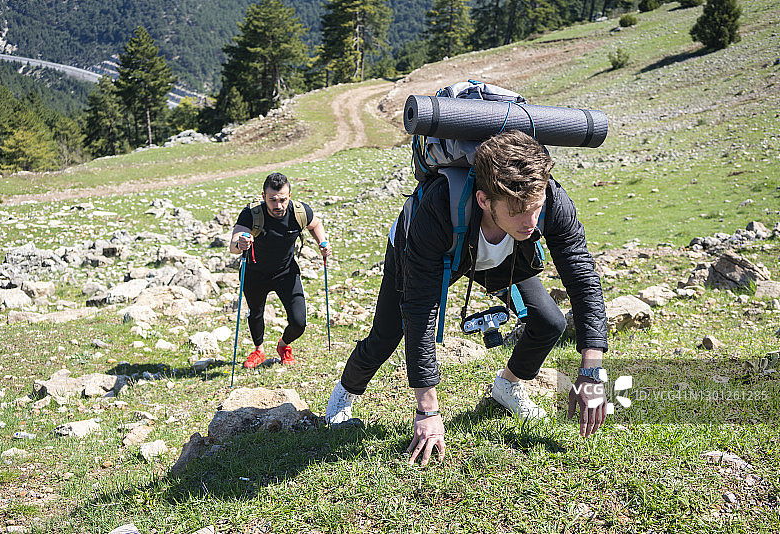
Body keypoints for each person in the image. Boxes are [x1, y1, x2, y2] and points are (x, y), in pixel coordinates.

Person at [325, 130, 608, 466]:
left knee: (549, 322)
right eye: (518, 211)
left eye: (536, 208)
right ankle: (343, 394)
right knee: (388, 334)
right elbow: (420, 310)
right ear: (483, 199)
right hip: (436, 248)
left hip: (501, 255)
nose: (531, 221)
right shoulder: (439, 209)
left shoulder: (549, 202)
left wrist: (592, 371)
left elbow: (581, 275)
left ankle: (507, 386)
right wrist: (427, 409)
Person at [230, 172, 332, 368]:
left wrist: (323, 243)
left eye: (283, 200)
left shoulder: (300, 212)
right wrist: (240, 243)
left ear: (289, 196)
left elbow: (315, 224)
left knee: (299, 322)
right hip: (255, 273)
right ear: (263, 197)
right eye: (272, 200)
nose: (278, 205)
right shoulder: (252, 214)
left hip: (286, 273)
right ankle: (258, 350)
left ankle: (283, 345)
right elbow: (234, 245)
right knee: (256, 313)